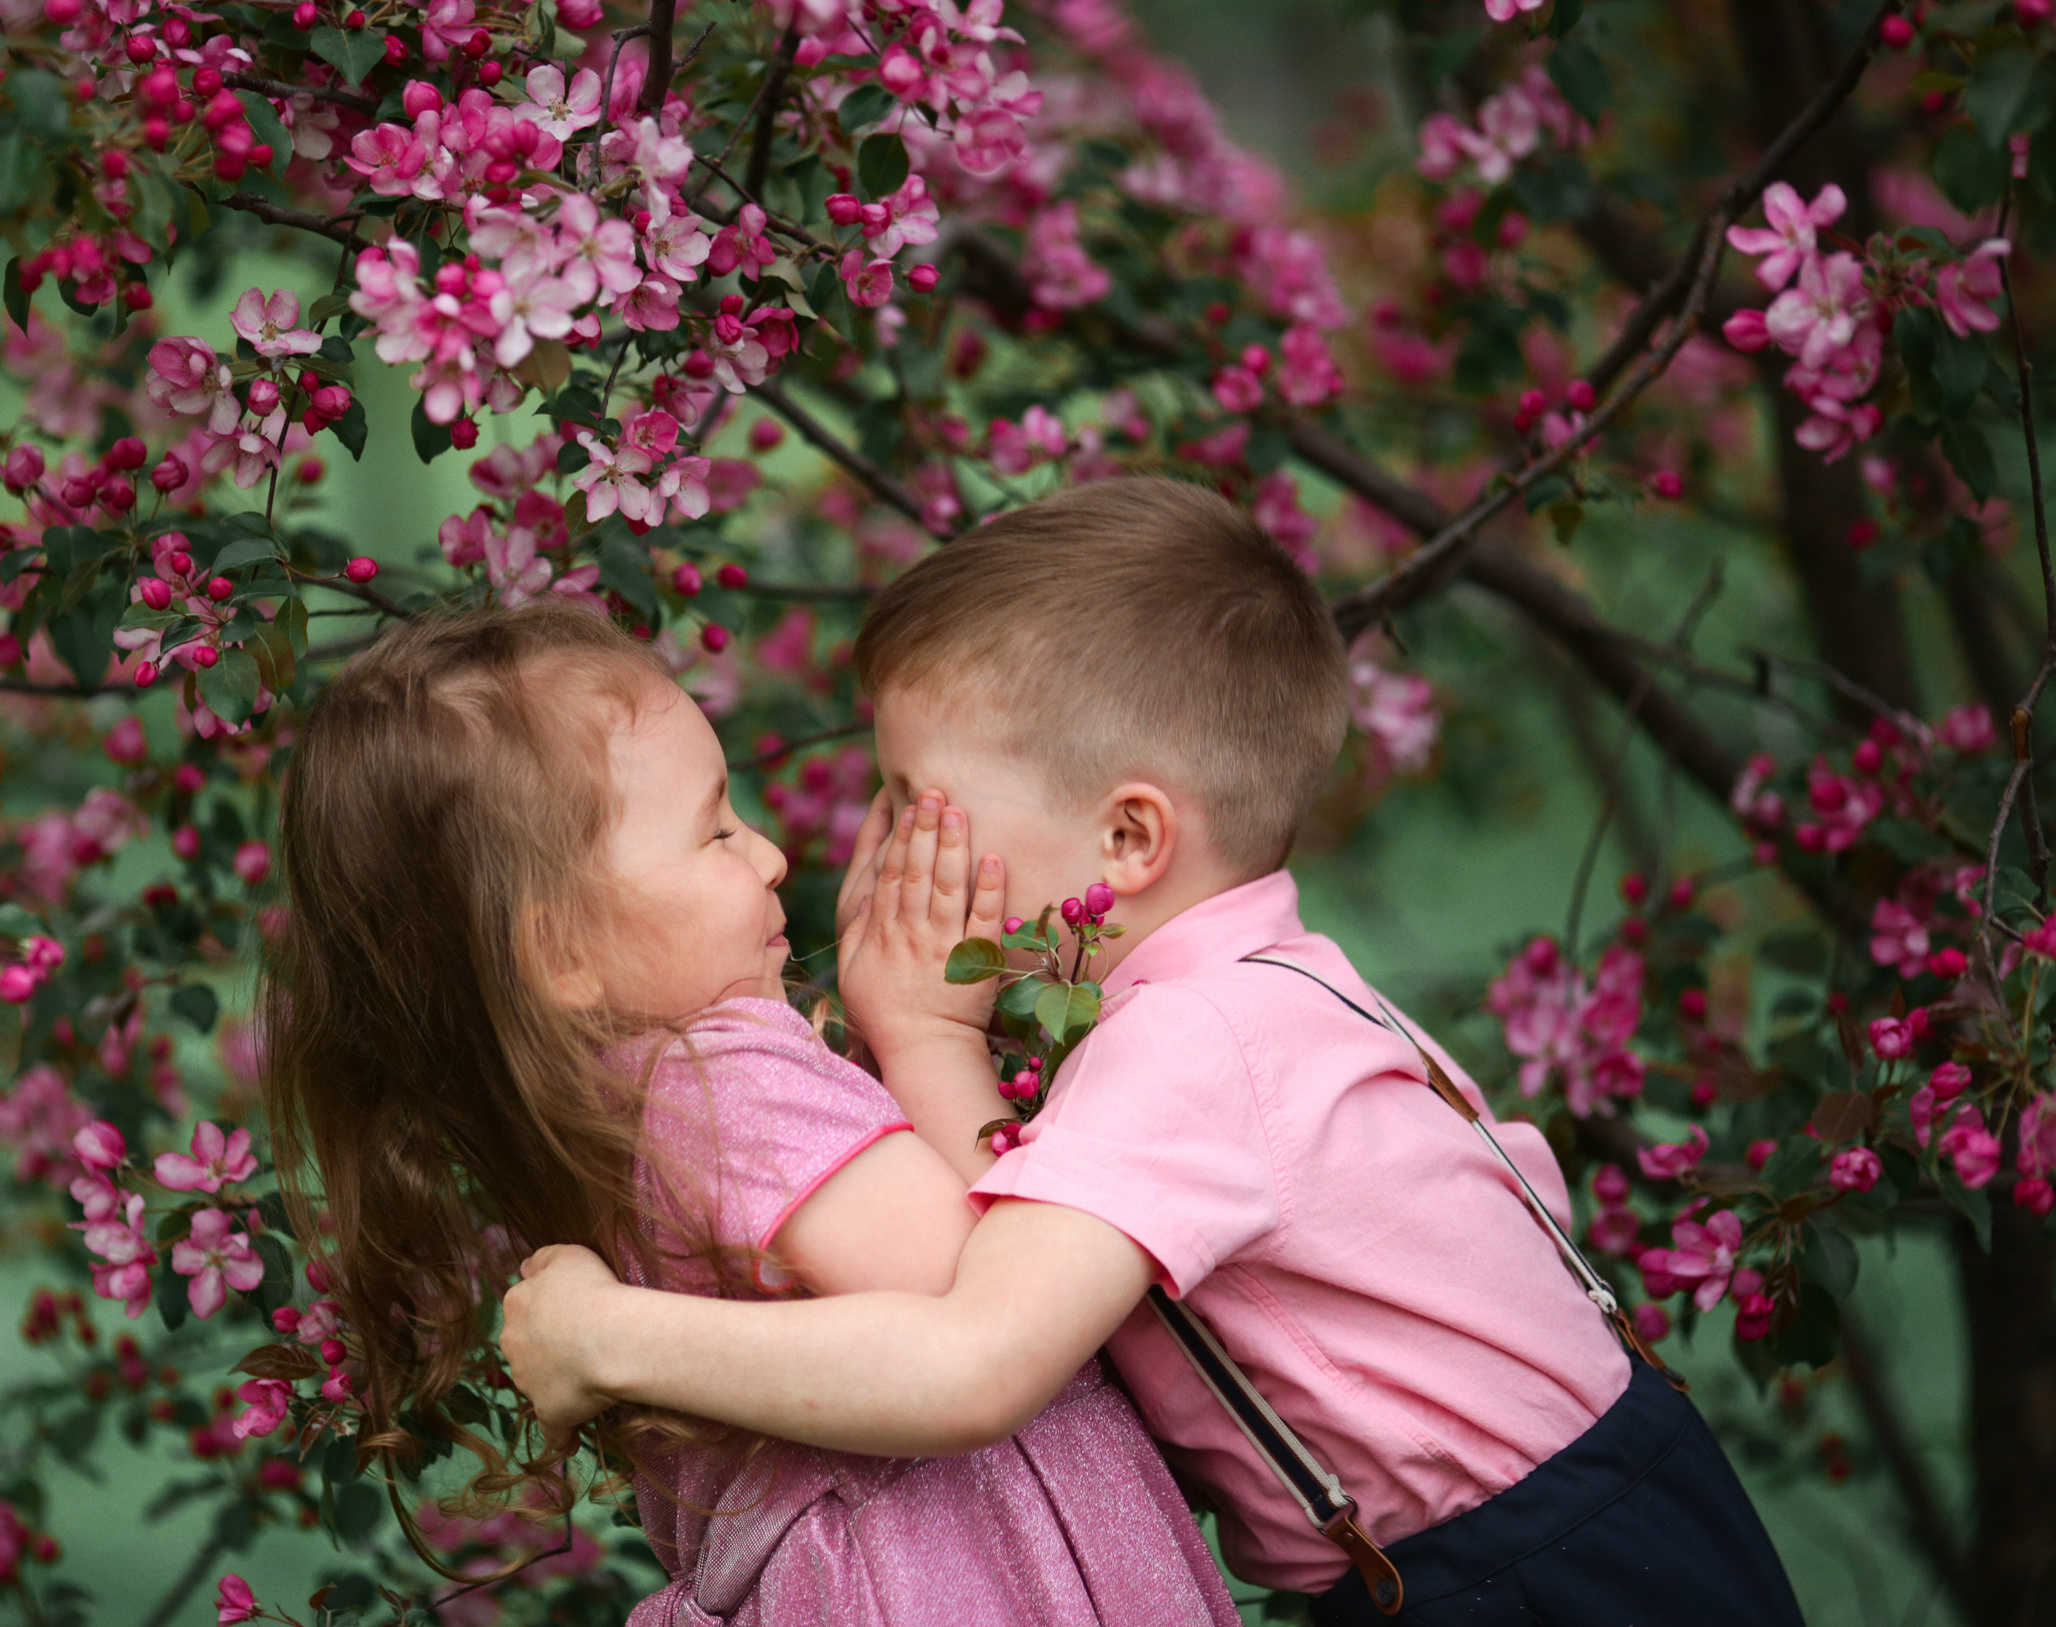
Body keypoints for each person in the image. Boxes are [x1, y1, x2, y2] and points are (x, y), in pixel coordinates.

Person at [499, 477, 1806, 1627]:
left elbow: (978, 1354)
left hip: (1528, 1576)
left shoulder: (1187, 1049)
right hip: (1622, 1497)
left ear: (1127, 840)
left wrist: (608, 1333)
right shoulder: (1288, 986)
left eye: (912, 798)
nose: (872, 836)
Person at [258, 602, 1239, 1627]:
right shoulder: (725, 1078)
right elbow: (982, 1295)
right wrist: (923, 1034)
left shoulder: (610, 1112)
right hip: (962, 1576)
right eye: (716, 831)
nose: (769, 856)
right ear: (562, 956)